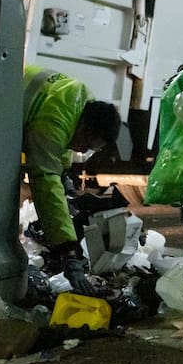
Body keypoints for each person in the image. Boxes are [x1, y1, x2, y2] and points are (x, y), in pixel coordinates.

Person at [23, 65, 122, 297]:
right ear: (86, 129)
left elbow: (62, 146)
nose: (82, 151)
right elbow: (45, 181)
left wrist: (65, 177)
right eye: (86, 146)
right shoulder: (54, 119)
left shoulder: (79, 102)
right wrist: (68, 253)